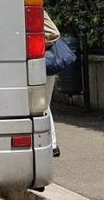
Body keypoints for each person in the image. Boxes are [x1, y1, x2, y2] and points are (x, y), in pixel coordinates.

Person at [44, 10, 61, 157]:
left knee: (43, 104)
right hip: (44, 62)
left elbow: (54, 33)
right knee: (44, 105)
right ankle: (52, 144)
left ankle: (52, 144)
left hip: (43, 62)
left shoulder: (32, 10)